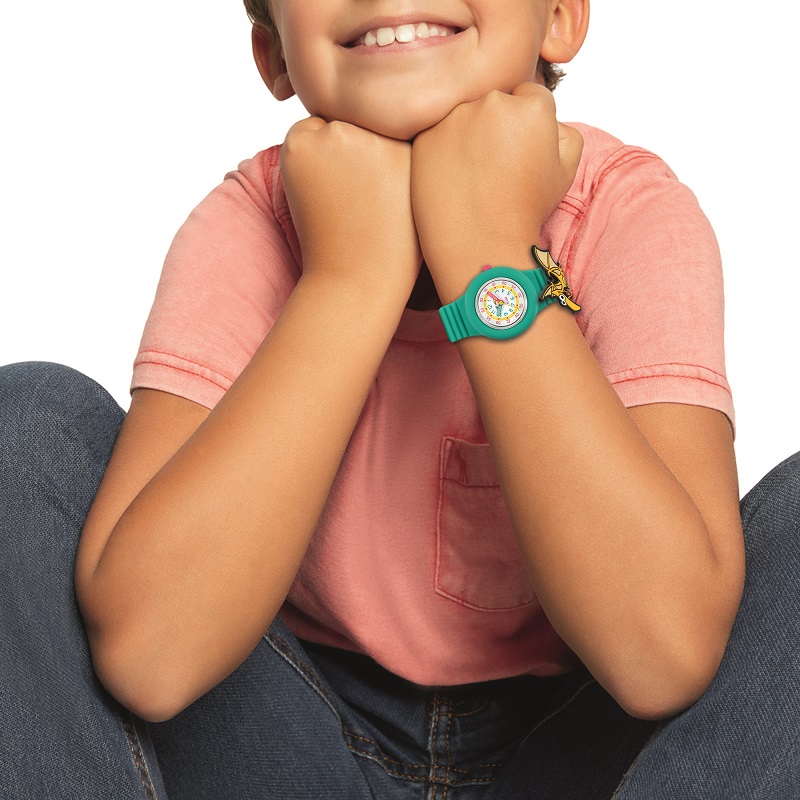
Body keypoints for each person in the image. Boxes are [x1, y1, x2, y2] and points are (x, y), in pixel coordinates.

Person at [2, 0, 799, 797]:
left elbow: (662, 657)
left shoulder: (627, 211)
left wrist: (490, 249)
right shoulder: (248, 224)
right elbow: (150, 659)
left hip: (576, 749)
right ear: (274, 54)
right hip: (293, 741)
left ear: (558, 16)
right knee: (30, 419)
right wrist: (349, 281)